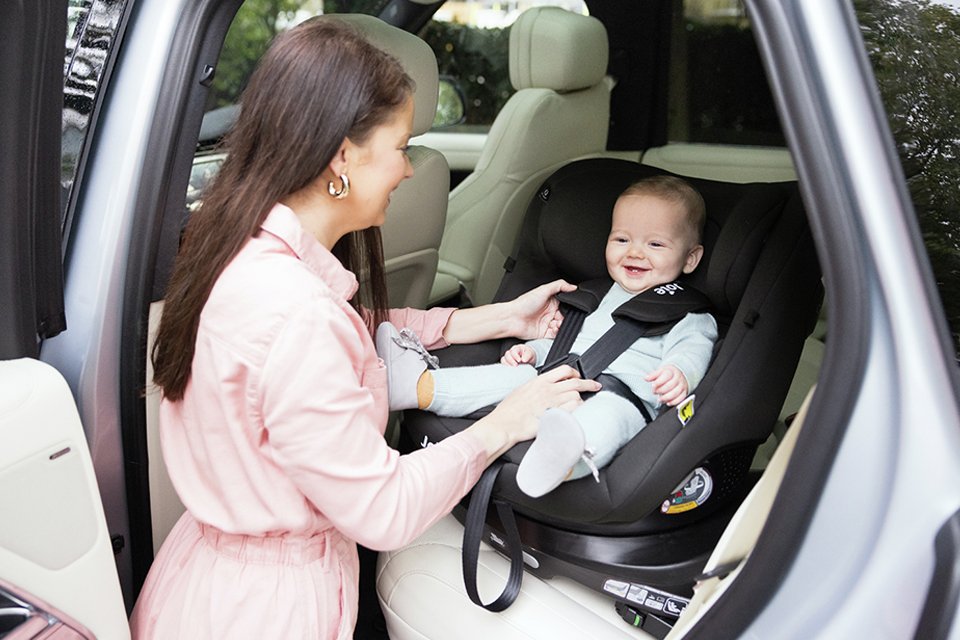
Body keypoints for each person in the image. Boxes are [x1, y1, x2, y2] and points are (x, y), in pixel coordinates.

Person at [130, 17, 599, 639]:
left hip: (203, 581)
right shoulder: (299, 315)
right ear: (342, 156)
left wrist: (497, 318)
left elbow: (351, 330)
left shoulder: (245, 252)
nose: (409, 170)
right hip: (267, 612)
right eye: (402, 147)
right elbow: (384, 509)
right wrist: (507, 421)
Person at [378, 175, 719, 497]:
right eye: (621, 240)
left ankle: (559, 460)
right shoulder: (595, 295)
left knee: (609, 419)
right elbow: (566, 345)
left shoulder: (689, 314)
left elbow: (692, 351)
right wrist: (534, 353)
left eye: (655, 244)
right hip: (556, 377)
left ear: (690, 259)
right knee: (507, 376)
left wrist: (679, 373)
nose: (634, 252)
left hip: (621, 394)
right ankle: (415, 387)